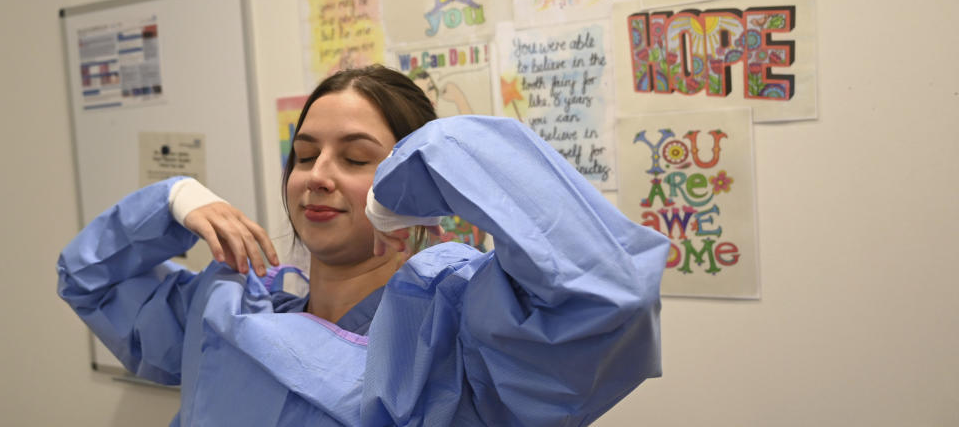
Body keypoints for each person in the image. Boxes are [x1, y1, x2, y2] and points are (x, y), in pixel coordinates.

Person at [58, 65, 669, 426]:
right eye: (303, 156)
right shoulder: (230, 302)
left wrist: (439, 156)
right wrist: (173, 201)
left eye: (355, 158)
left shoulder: (454, 325)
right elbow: (90, 279)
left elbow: (609, 297)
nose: (317, 175)